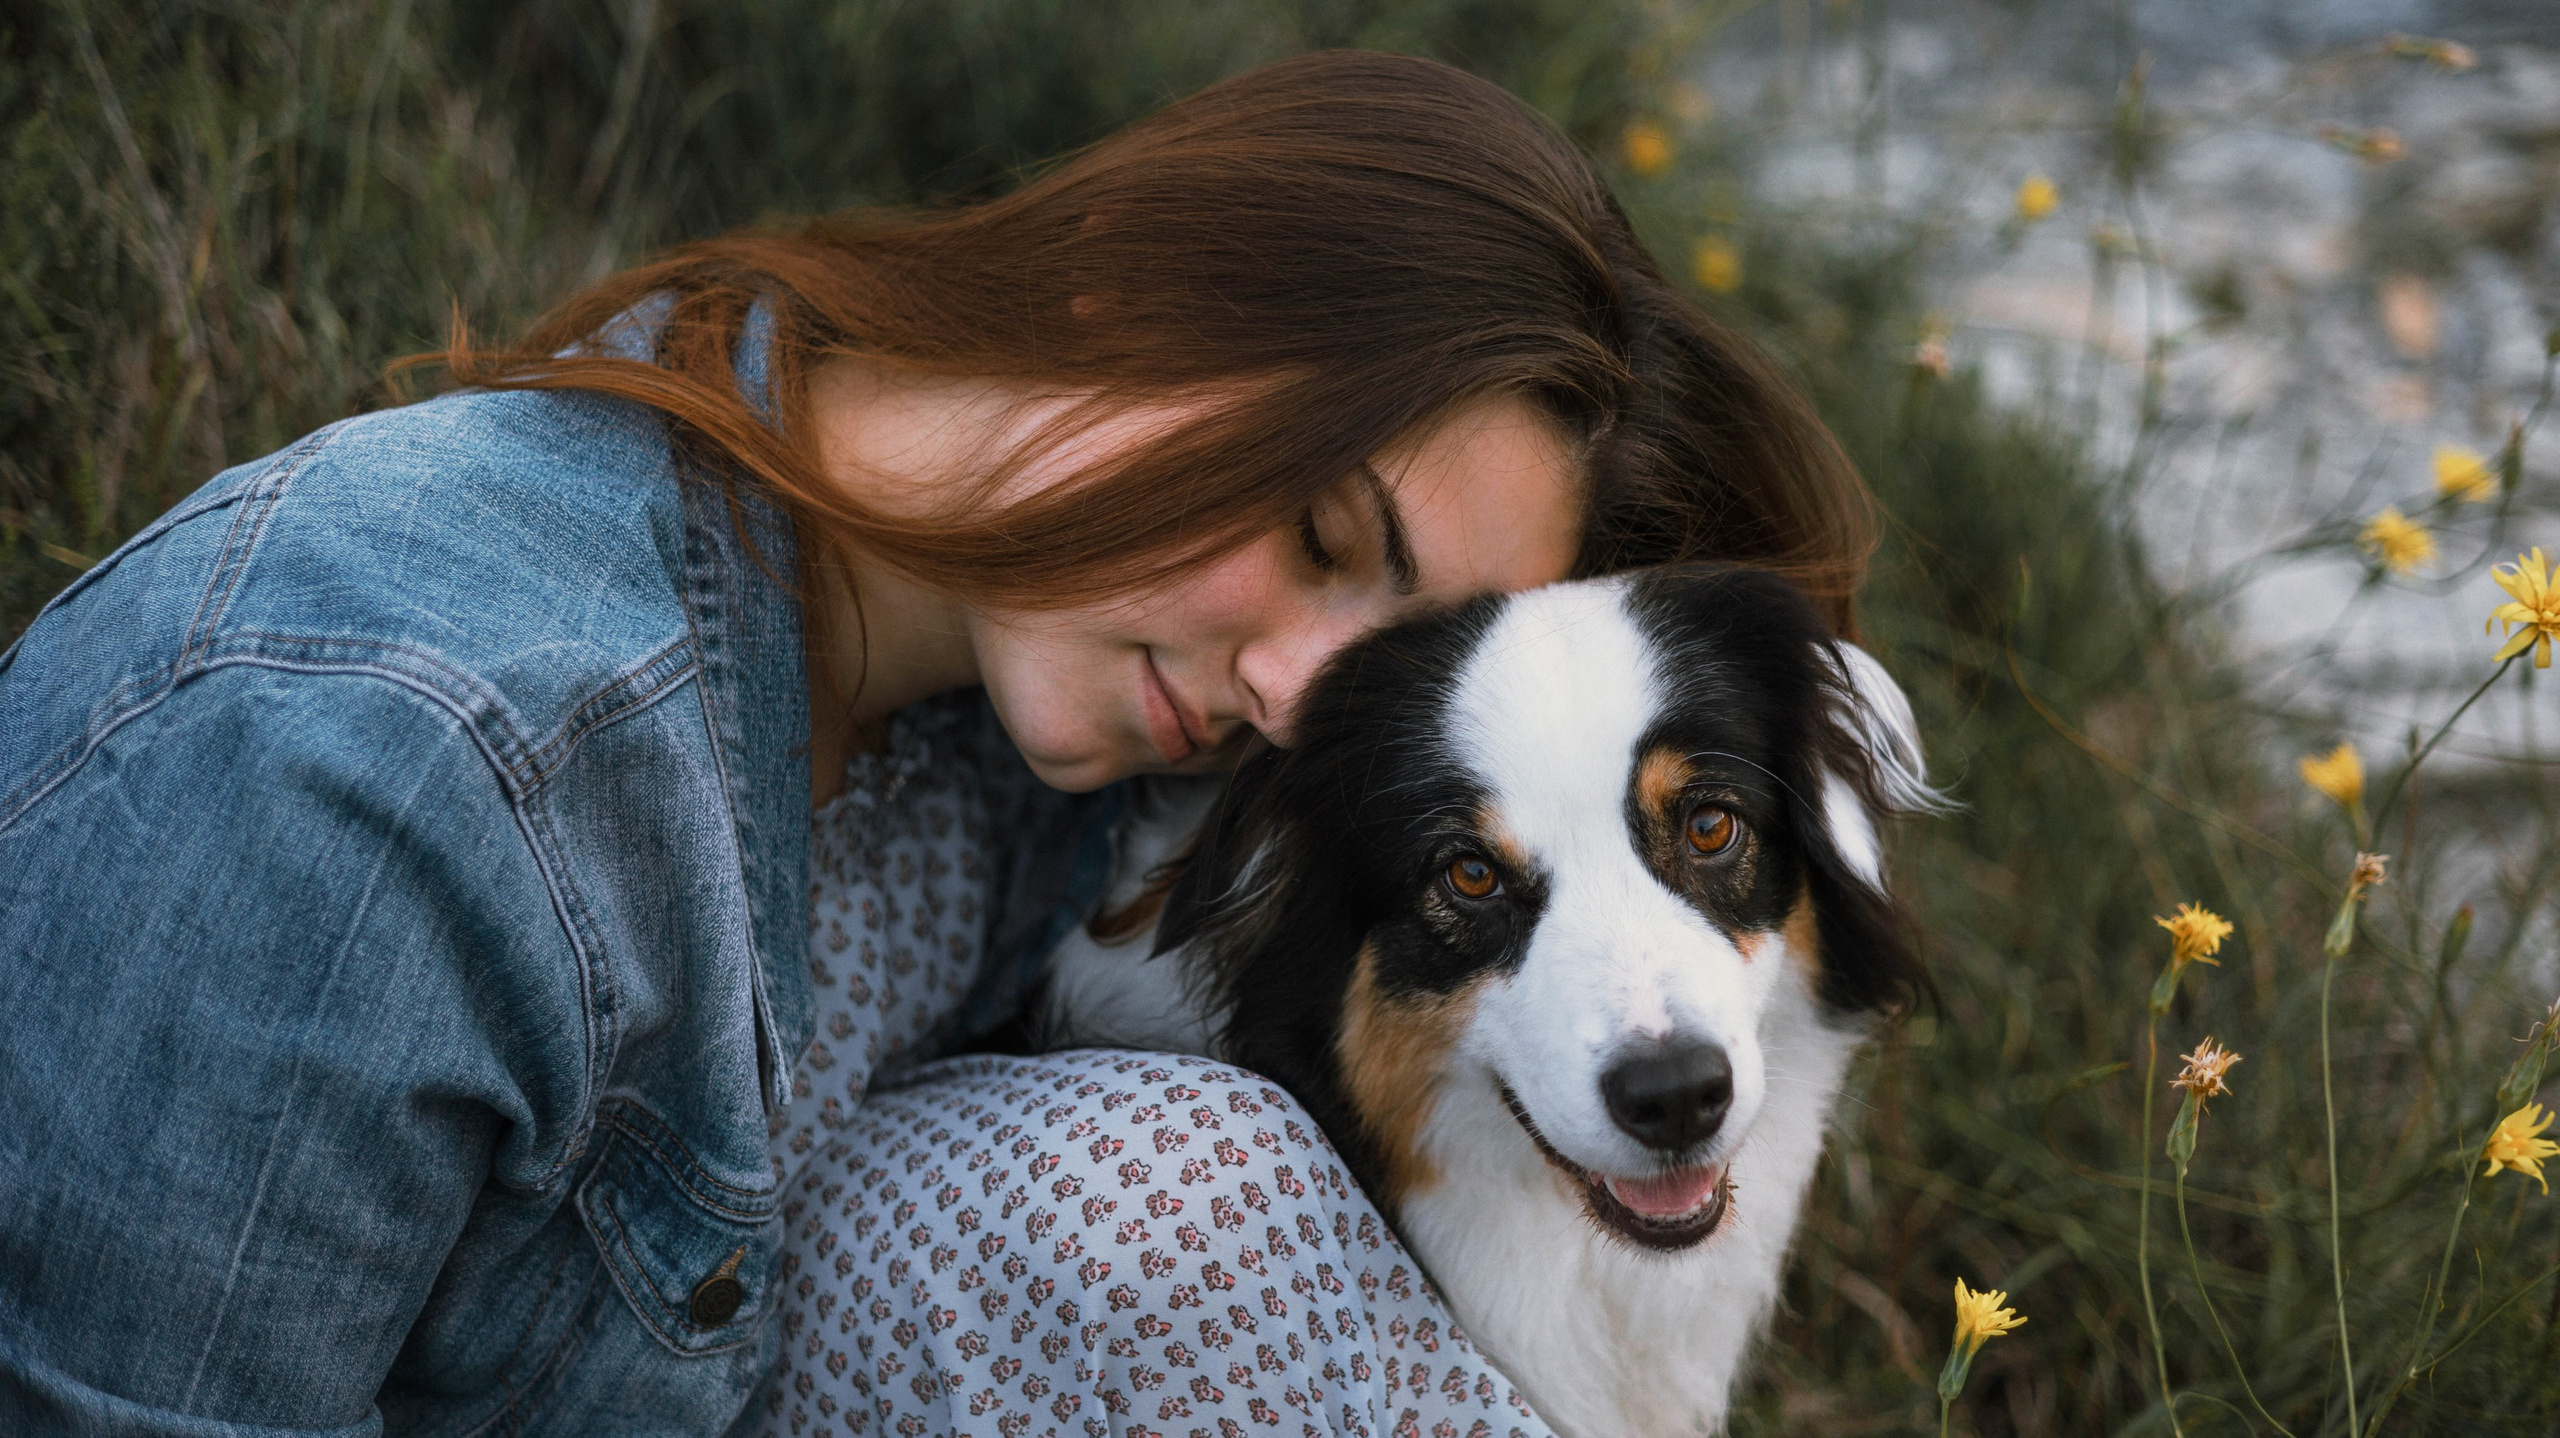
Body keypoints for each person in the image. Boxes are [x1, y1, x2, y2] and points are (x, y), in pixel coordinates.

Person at [0, 50, 1874, 1438]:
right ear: (1127, 284)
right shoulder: (397, 769)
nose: (1300, 697)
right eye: (1319, 534)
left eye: (1391, 650)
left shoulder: (1008, 697)